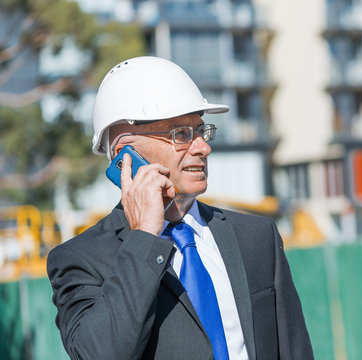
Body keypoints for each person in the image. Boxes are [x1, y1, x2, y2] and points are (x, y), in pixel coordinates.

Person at [47, 56, 314, 360]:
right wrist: (144, 237)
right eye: (181, 134)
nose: (203, 147)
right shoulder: (80, 260)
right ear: (126, 154)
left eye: (201, 131)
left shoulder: (257, 237)